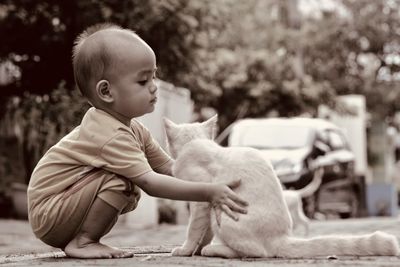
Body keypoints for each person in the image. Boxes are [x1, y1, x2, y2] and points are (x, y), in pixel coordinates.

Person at [27, 23, 248, 259]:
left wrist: (215, 177)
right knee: (123, 180)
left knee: (124, 179)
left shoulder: (133, 128)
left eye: (154, 76)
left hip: (63, 205)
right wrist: (208, 192)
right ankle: (84, 241)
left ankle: (84, 239)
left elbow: (171, 169)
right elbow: (150, 182)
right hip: (50, 210)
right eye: (143, 81)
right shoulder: (110, 134)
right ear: (106, 92)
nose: (154, 87)